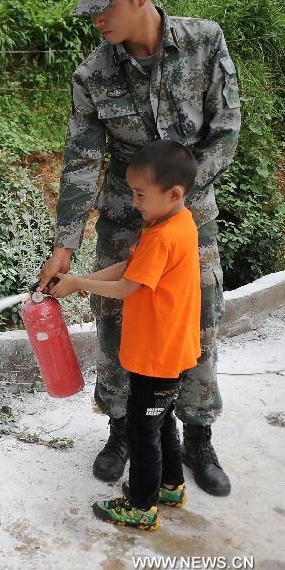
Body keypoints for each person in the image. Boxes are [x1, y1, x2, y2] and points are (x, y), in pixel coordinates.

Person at [37, 0, 240, 496]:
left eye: (105, 7)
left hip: (189, 220)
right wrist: (65, 247)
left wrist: (183, 195)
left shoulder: (204, 43)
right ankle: (122, 429)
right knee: (118, 328)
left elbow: (225, 129)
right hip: (125, 222)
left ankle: (197, 435)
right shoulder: (92, 75)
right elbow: (83, 160)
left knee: (195, 326)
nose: (96, 20)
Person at [48, 139, 199, 530]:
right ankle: (170, 485)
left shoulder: (163, 236)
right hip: (168, 350)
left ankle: (141, 506)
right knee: (161, 421)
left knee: (142, 430)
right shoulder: (175, 223)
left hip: (157, 354)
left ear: (174, 193)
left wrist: (80, 282)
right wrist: (76, 281)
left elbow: (127, 287)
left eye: (139, 194)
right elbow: (129, 269)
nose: (133, 202)